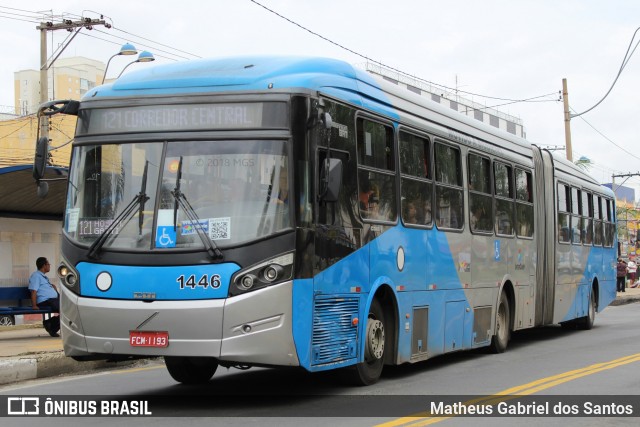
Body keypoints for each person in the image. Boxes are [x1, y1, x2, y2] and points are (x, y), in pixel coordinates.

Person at [28, 257, 60, 337]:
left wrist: (53, 288)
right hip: (45, 301)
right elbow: (34, 291)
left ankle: (50, 324)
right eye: (48, 264)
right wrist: (34, 305)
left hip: (52, 300)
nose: (49, 266)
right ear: (44, 265)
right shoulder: (36, 276)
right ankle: (51, 326)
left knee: (68, 308)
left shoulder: (43, 277)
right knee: (65, 309)